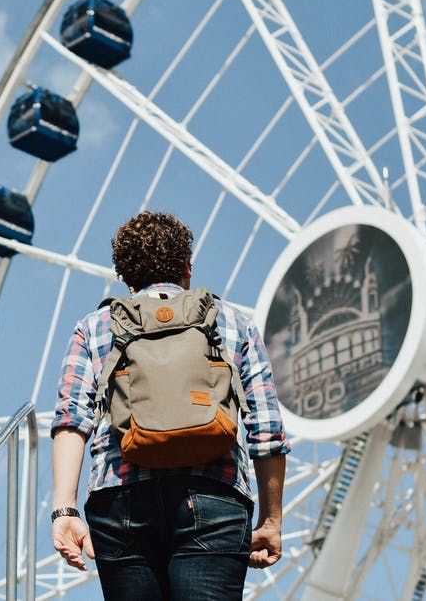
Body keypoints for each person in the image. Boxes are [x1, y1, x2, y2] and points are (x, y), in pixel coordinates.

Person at [50, 211, 290, 600]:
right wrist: (271, 519)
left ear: (125, 277)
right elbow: (267, 431)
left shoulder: (94, 327)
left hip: (121, 498)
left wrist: (65, 510)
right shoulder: (232, 322)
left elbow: (71, 422)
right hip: (215, 494)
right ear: (187, 267)